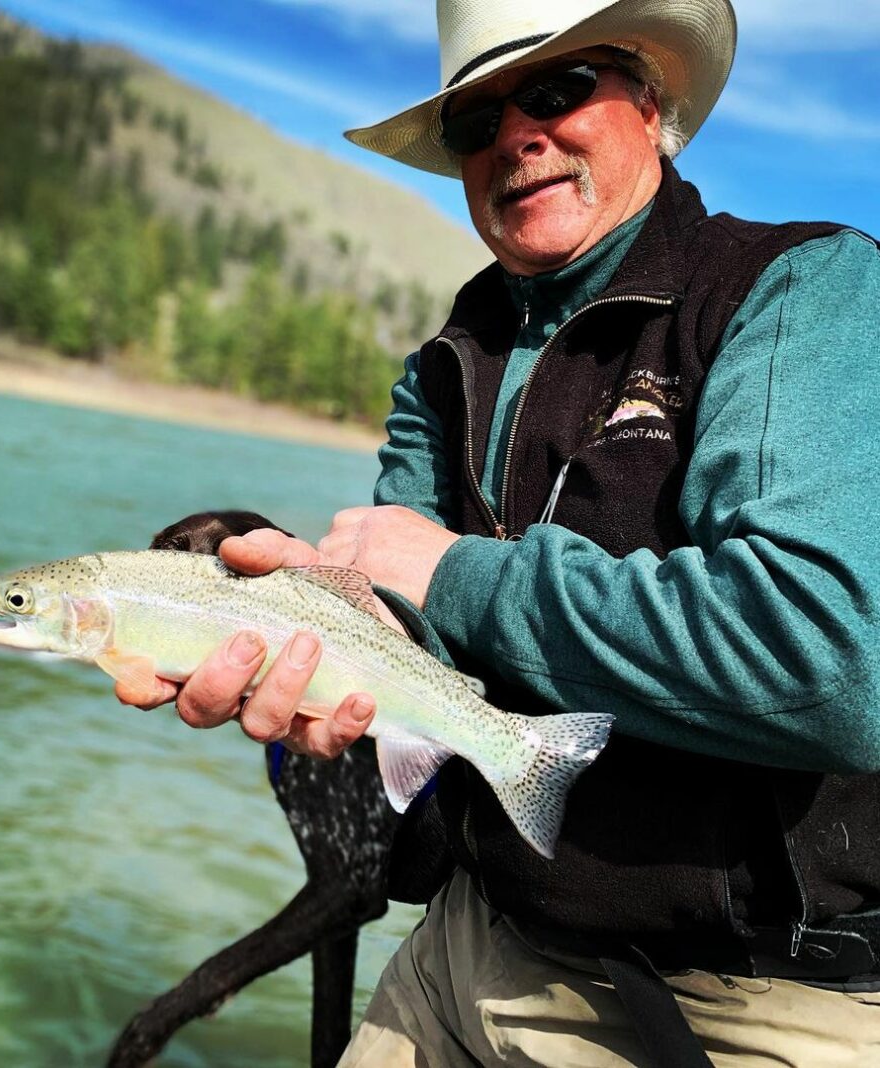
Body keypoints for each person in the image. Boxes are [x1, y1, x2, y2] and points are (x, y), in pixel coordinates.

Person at [120, 0, 880, 1063]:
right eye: (478, 120)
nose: (517, 135)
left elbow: (828, 662)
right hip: (460, 947)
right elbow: (412, 636)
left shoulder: (800, 289)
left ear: (649, 103)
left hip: (746, 1001)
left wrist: (454, 575)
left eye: (558, 91)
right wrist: (315, 620)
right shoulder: (445, 363)